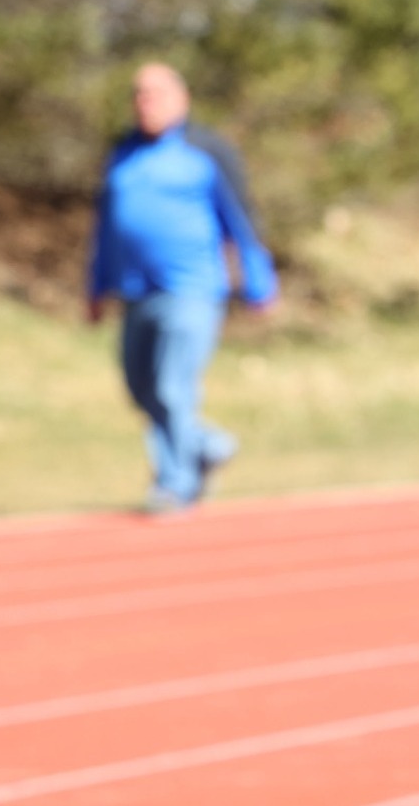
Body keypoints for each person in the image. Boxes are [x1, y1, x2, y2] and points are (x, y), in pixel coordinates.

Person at [86, 63, 277, 513]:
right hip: (136, 291)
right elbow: (106, 227)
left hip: (192, 289)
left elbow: (242, 221)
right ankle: (206, 446)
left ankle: (175, 483)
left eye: (155, 93)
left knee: (173, 387)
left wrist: (258, 281)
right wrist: (96, 285)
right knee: (140, 387)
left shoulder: (206, 150)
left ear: (181, 98)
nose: (145, 102)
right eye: (138, 93)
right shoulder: (123, 152)